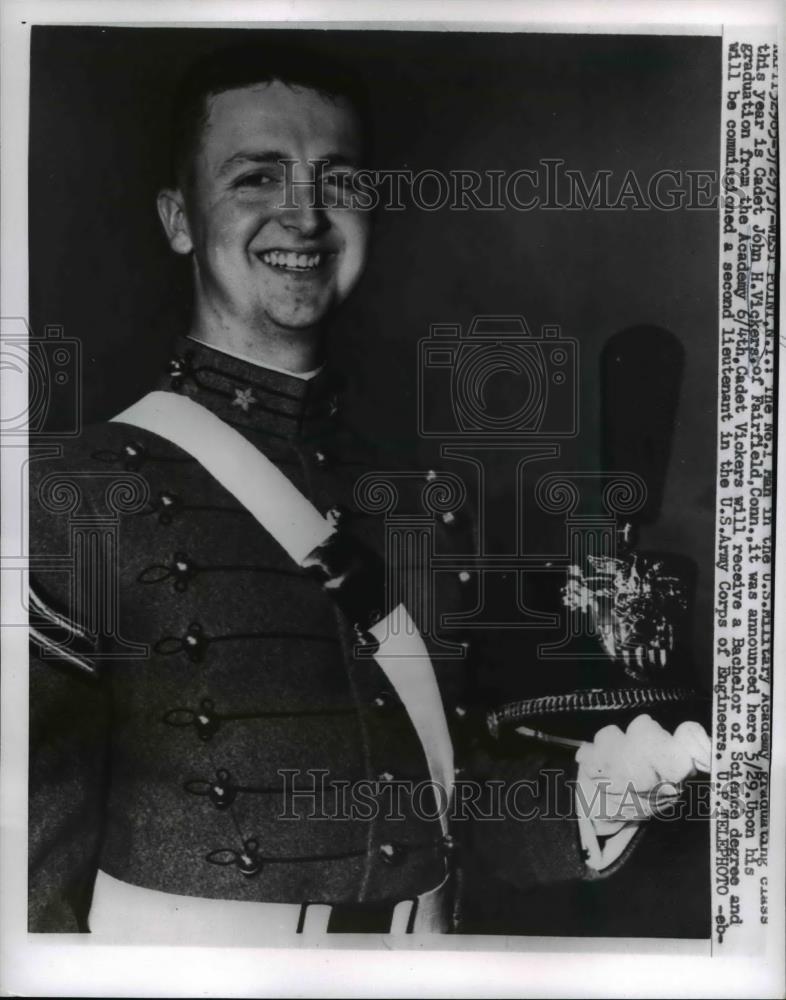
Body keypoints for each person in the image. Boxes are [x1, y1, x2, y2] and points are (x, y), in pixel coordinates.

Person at [28, 42, 709, 940]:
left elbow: (455, 800)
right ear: (178, 218)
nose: (304, 215)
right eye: (256, 178)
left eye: (338, 181)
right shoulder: (73, 487)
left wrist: (599, 803)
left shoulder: (422, 498)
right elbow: (23, 876)